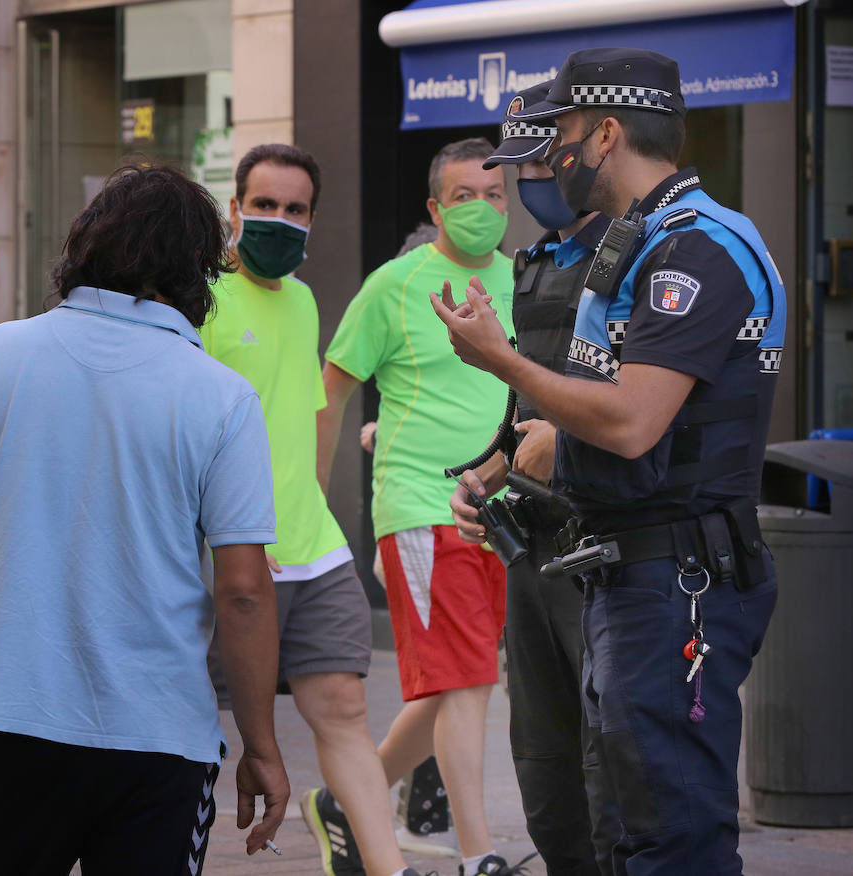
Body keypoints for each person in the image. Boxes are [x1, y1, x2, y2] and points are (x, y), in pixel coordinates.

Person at [435, 48, 785, 875]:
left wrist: (501, 361)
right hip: (620, 572)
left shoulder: (697, 247)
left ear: (605, 134)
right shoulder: (636, 243)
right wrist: (511, 457)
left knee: (671, 836)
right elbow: (590, 413)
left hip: (677, 577)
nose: (550, 154)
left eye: (560, 134)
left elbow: (629, 424)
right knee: (618, 828)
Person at [0, 165, 289, 874]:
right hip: (159, 740)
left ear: (85, 245)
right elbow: (244, 590)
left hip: (16, 720)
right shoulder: (222, 396)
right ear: (198, 271)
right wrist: (262, 745)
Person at [200, 143, 416, 876]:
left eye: (295, 209)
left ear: (313, 220)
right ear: (235, 208)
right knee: (190, 720)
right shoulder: (201, 300)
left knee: (344, 709)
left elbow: (307, 417)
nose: (279, 219)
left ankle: (389, 869)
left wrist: (315, 501)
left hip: (312, 547)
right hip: (227, 552)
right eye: (264, 204)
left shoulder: (303, 300)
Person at [317, 138, 522, 876]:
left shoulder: (524, 280)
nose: (482, 208)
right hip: (422, 504)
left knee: (454, 680)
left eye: (494, 195)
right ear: (436, 208)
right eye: (465, 196)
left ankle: (348, 799)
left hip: (511, 513)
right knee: (468, 679)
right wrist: (314, 501)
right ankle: (479, 855)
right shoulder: (395, 284)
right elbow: (332, 391)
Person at [449, 82, 618, 876]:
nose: (532, 182)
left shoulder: (640, 258)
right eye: (520, 168)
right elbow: (525, 410)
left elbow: (648, 409)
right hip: (534, 553)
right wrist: (486, 474)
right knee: (544, 768)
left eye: (544, 161)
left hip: (607, 548)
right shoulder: (535, 264)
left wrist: (565, 442)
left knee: (611, 764)